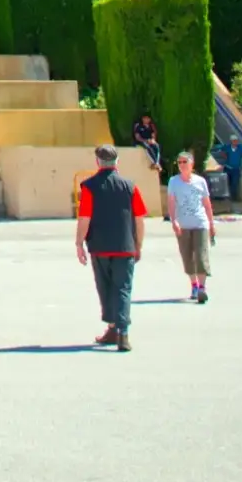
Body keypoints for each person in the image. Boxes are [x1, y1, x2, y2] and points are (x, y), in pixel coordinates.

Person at [75, 143, 146, 351]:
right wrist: (138, 244)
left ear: (98, 162)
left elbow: (84, 217)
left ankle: (113, 326)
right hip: (125, 246)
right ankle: (121, 332)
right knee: (123, 288)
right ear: (117, 162)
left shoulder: (89, 186)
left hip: (99, 246)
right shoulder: (130, 186)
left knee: (105, 287)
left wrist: (79, 242)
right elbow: (140, 219)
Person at [165, 151, 215, 304]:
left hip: (200, 223)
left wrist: (212, 224)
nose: (181, 165)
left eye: (184, 162)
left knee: (201, 256)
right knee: (187, 257)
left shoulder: (200, 182)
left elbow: (207, 204)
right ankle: (194, 285)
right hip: (183, 225)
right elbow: (172, 202)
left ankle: (202, 288)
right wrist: (174, 221)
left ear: (191, 164)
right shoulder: (174, 181)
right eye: (179, 162)